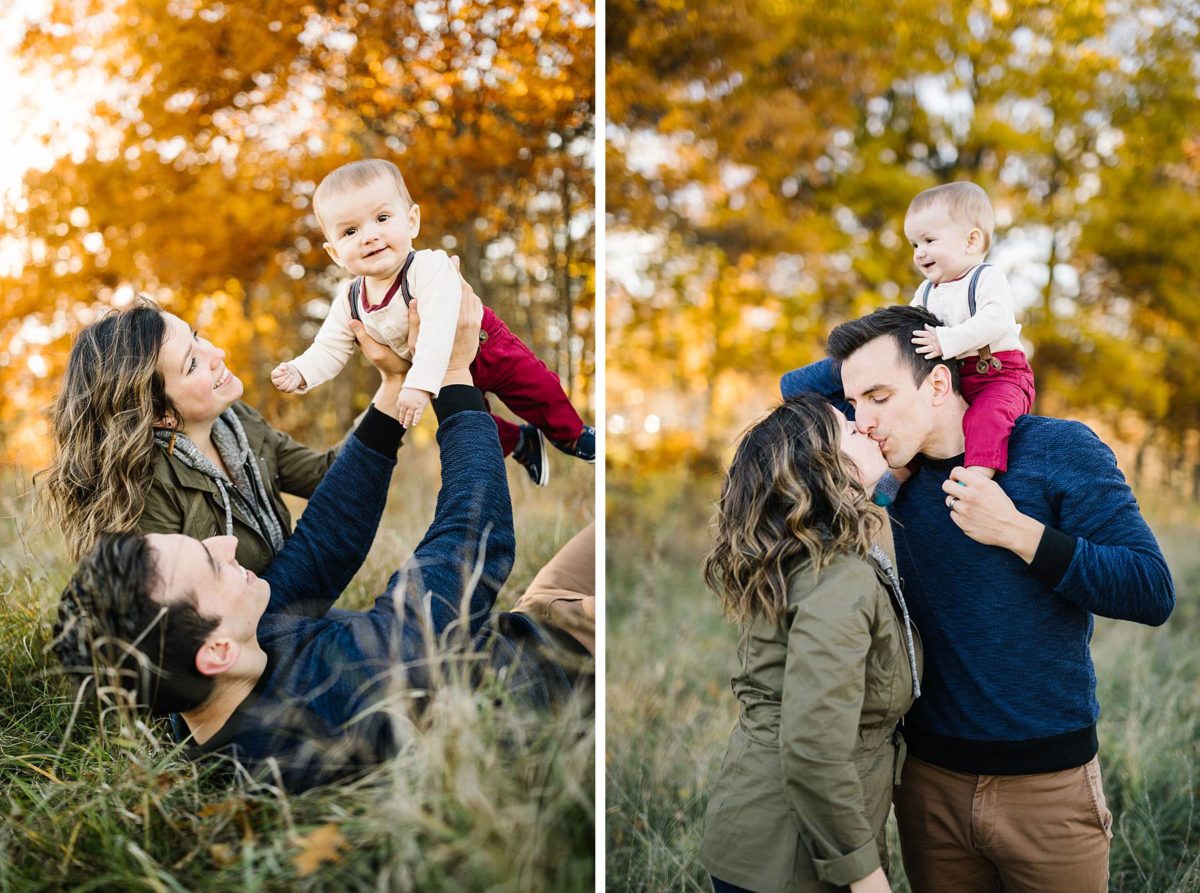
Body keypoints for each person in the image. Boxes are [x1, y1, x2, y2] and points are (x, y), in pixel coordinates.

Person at [51, 293, 594, 793]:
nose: (226, 546)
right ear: (213, 650)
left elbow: (320, 546)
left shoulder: (221, 686)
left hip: (519, 634)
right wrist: (454, 377)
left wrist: (389, 391)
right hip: (570, 657)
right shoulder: (343, 685)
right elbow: (469, 543)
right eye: (209, 562)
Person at [780, 305, 1175, 892]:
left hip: (1047, 786)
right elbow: (794, 391)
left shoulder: (1057, 449)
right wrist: (932, 327)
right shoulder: (895, 467)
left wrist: (1017, 532)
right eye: (855, 400)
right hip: (927, 783)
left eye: (880, 396)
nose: (860, 421)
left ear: (939, 382)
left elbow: (1151, 589)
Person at [36, 285, 429, 571]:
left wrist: (393, 382)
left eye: (197, 336)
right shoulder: (147, 491)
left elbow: (328, 477)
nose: (216, 354)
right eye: (191, 363)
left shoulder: (236, 422)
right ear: (159, 415)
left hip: (288, 615)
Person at [699, 394, 922, 893]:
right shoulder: (835, 578)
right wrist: (864, 876)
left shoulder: (805, 552)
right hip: (789, 860)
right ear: (823, 466)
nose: (864, 424)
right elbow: (814, 748)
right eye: (847, 427)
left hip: (760, 840)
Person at [271, 157, 596, 487]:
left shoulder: (427, 267)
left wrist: (417, 384)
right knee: (468, 424)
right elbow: (329, 347)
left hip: (483, 344)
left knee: (538, 387)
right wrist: (301, 372)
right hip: (436, 371)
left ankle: (571, 434)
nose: (369, 236)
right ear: (336, 253)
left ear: (411, 222)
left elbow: (441, 326)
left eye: (382, 218)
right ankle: (521, 442)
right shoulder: (351, 300)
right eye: (350, 231)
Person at [901, 181, 1034, 479]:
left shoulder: (986, 277)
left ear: (971, 241)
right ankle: (894, 477)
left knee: (985, 416)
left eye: (929, 240)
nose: (920, 252)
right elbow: (908, 325)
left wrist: (944, 340)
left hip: (999, 375)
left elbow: (995, 319)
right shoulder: (925, 292)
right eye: (914, 244)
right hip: (954, 380)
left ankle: (975, 477)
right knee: (918, 415)